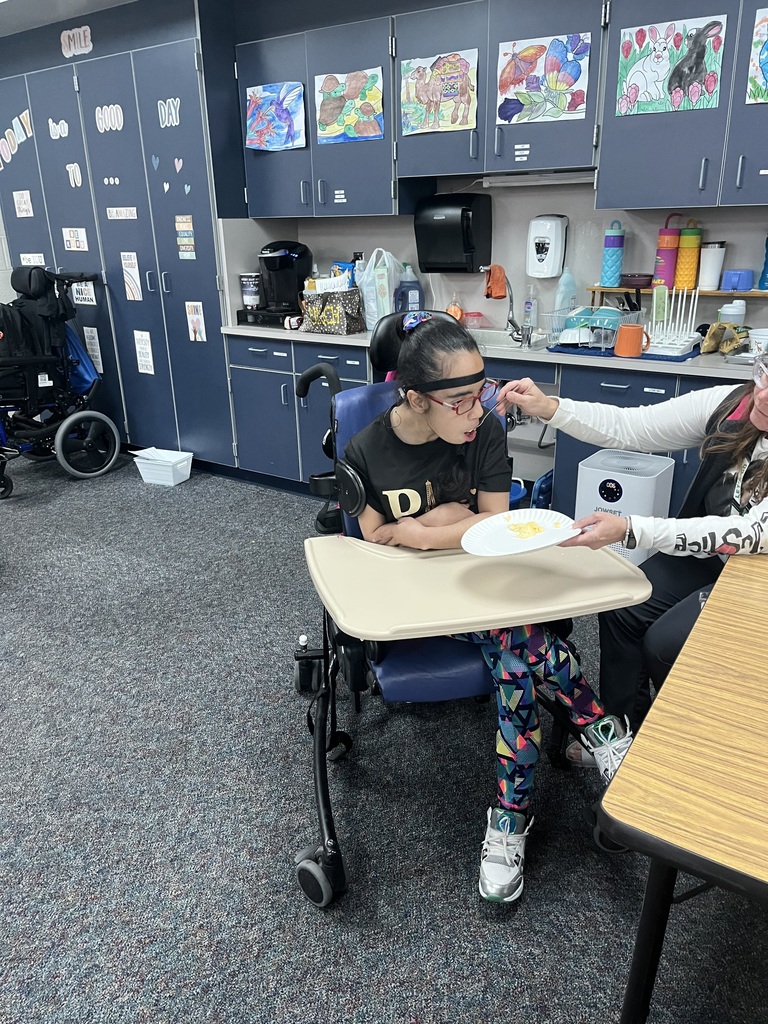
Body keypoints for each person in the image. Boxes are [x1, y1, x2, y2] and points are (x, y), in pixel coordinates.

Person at [342, 311, 632, 904]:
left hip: (484, 584)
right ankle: (598, 728)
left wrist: (426, 530)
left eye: (484, 394)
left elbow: (498, 528)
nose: (481, 411)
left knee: (512, 661)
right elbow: (374, 540)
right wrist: (452, 524)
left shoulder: (485, 431)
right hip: (414, 594)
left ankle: (510, 820)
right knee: (521, 652)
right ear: (417, 398)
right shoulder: (365, 449)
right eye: (465, 400)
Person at [496, 360, 767, 734]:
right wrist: (551, 408)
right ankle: (623, 731)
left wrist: (629, 529)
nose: (764, 395)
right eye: (765, 375)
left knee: (664, 644)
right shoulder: (734, 405)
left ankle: (686, 740)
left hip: (756, 573)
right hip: (711, 557)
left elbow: (749, 532)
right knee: (624, 603)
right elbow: (633, 427)